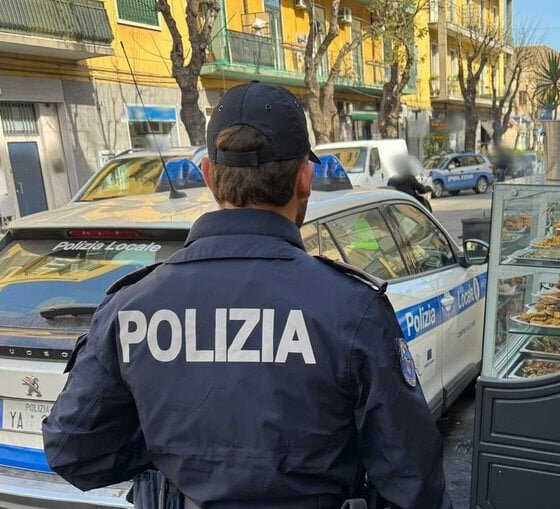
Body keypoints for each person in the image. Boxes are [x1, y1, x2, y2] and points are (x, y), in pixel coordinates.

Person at [42, 81, 453, 509]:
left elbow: (73, 451)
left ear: (207, 176)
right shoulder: (351, 307)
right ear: (305, 178)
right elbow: (413, 483)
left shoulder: (131, 306)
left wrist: (178, 451)